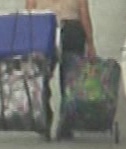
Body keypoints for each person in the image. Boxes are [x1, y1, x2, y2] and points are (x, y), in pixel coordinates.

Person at [25, 0, 94, 137]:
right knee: (70, 79)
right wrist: (90, 43)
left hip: (43, 28)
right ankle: (66, 123)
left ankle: (43, 118)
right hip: (71, 29)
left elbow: (29, 12)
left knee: (42, 77)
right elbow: (83, 14)